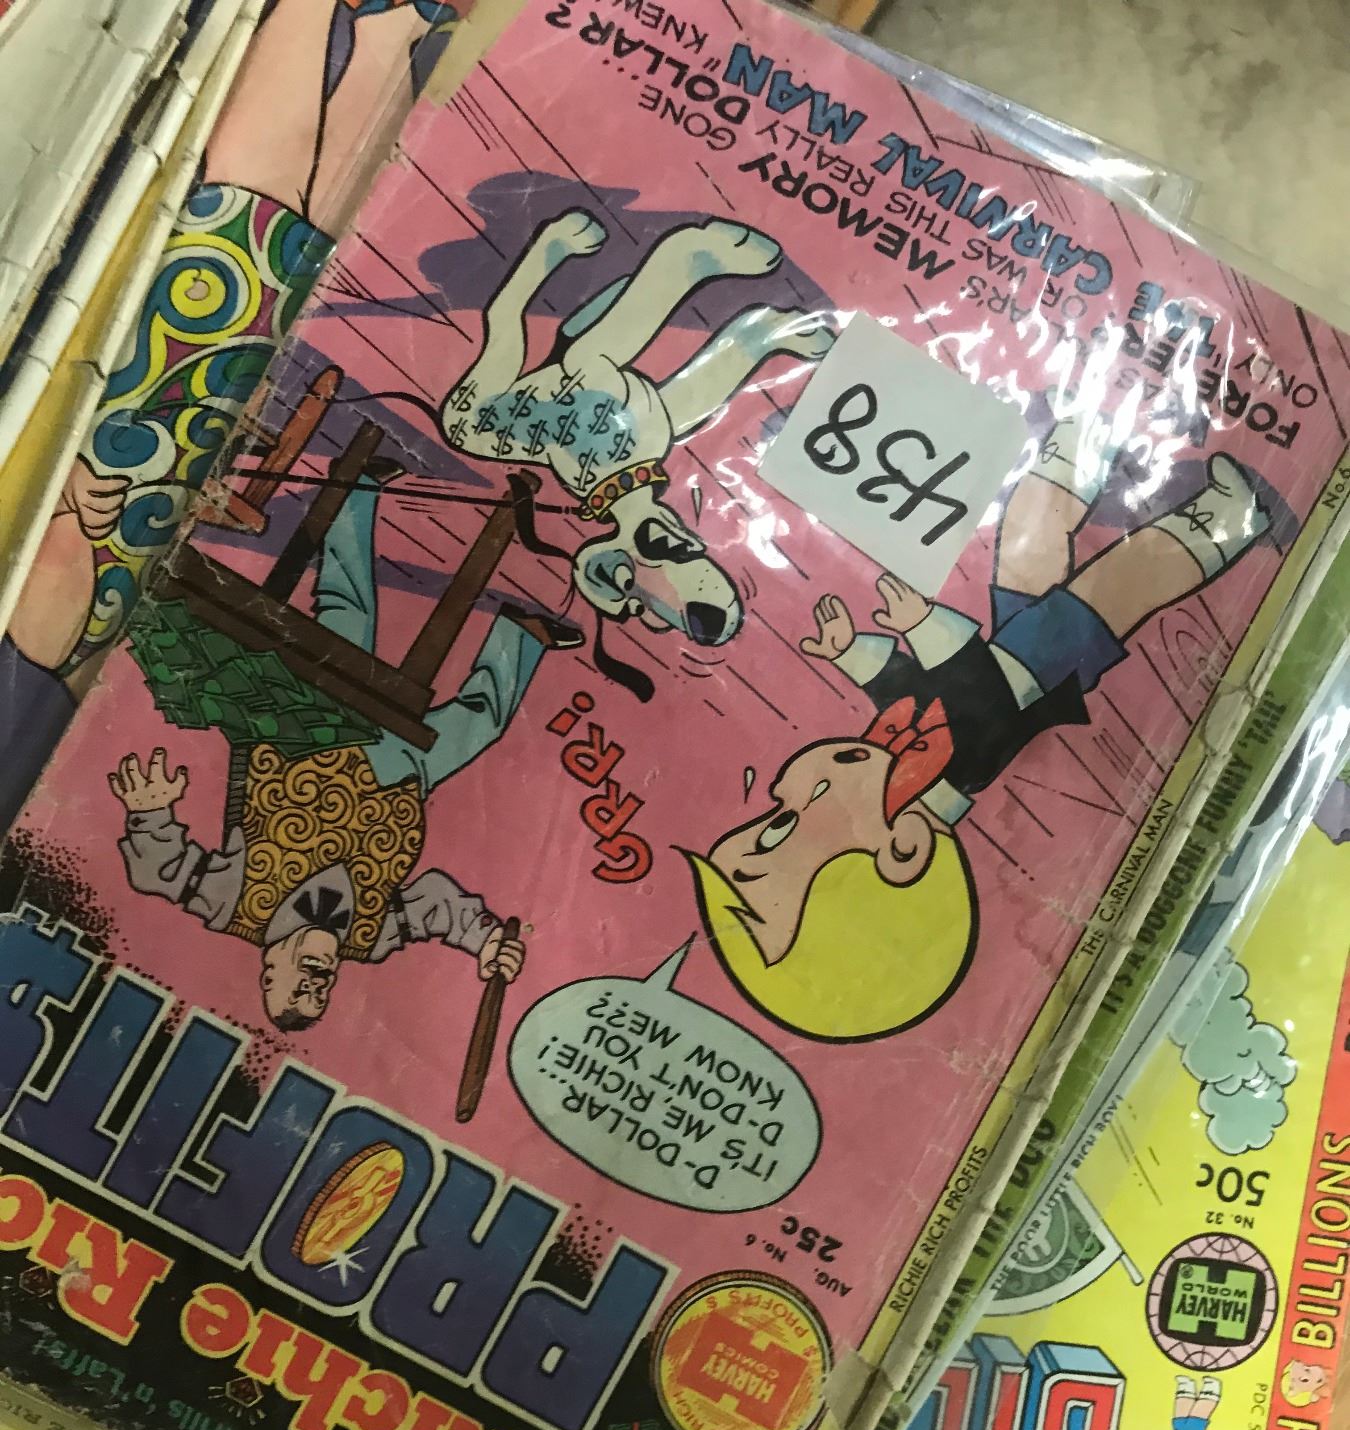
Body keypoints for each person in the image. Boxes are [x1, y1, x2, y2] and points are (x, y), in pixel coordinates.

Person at [1, 0, 459, 827]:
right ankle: (392, 33)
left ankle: (387, 33)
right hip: (175, 396)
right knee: (263, 230)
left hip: (159, 349)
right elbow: (63, 605)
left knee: (246, 221)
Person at [690, 409, 1273, 1042]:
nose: (783, 793)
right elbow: (978, 697)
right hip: (1045, 668)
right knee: (1124, 577)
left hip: (1013, 651)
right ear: (903, 848)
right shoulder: (961, 766)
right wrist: (923, 627)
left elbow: (907, 694)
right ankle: (1230, 520)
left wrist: (851, 652)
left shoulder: (900, 766)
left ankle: (1090, 433)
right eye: (784, 826)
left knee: (1026, 535)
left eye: (771, 815)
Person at [108, 472, 578, 1030]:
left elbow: (158, 872)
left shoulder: (229, 905)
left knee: (348, 619)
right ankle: (523, 634)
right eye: (321, 993)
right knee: (483, 723)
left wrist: (151, 813)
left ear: (270, 971)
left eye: (298, 989)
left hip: (316, 736)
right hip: (406, 773)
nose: (316, 981)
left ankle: (359, 489)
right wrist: (486, 942)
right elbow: (433, 904)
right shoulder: (370, 938)